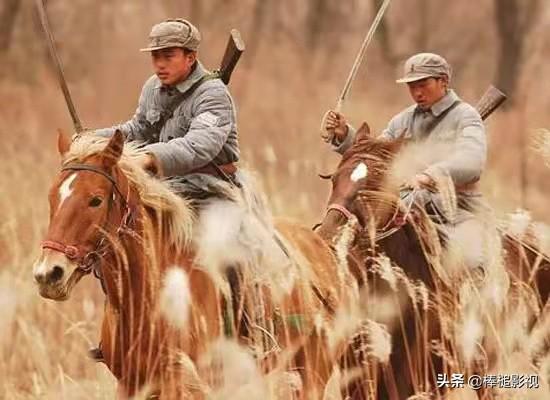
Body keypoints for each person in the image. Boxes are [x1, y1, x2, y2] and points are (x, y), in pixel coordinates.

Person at [89, 18, 276, 360]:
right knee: (118, 239)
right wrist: (92, 139)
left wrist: (150, 158)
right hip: (168, 186)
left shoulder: (214, 94)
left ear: (190, 57)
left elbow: (199, 145)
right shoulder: (152, 87)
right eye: (155, 55)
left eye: (168, 55)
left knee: (227, 250)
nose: (159, 63)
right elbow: (139, 127)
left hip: (213, 189)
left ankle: (250, 328)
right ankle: (119, 330)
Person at [324, 52, 493, 280]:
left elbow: (472, 161)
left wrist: (429, 176)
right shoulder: (401, 121)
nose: (416, 93)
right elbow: (374, 158)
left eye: (422, 84)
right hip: (406, 210)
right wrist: (345, 135)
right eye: (411, 86)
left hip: (457, 213)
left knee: (472, 263)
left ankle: (474, 314)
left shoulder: (466, 117)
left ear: (444, 81)